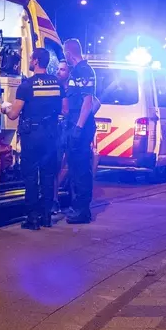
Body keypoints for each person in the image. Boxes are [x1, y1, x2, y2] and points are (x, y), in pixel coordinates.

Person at [1, 48, 62, 230]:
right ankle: (46, 217)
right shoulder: (57, 83)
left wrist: (5, 107)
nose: (29, 61)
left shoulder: (27, 85)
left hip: (32, 136)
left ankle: (32, 218)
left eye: (30, 58)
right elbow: (63, 109)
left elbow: (13, 114)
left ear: (36, 61)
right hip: (51, 135)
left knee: (30, 176)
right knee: (48, 175)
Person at [53, 59, 101, 214]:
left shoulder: (75, 87)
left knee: (75, 167)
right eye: (58, 69)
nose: (59, 72)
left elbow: (95, 102)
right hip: (61, 130)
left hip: (71, 129)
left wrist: (83, 118)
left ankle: (76, 203)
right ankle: (54, 200)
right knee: (57, 166)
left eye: (62, 70)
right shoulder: (57, 87)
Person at [62, 39, 97, 224]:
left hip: (80, 126)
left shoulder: (83, 70)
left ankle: (82, 211)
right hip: (75, 124)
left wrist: (78, 128)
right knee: (75, 168)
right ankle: (78, 208)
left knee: (81, 168)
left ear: (68, 53)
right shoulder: (78, 71)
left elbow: (87, 102)